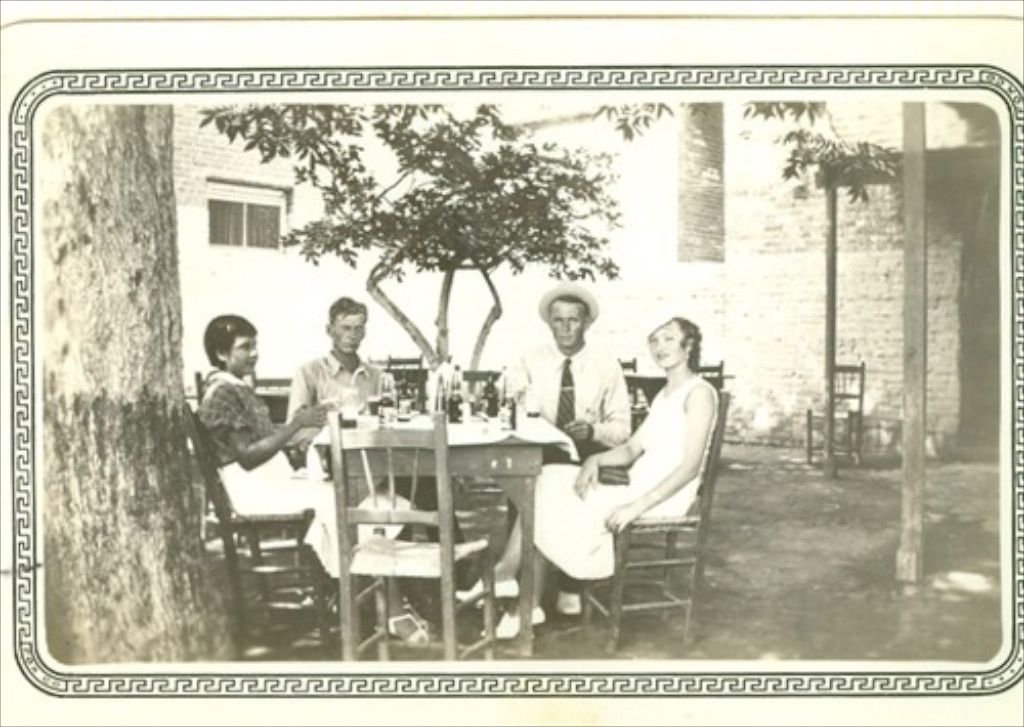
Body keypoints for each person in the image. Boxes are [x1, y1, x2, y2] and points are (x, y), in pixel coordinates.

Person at [197, 314, 429, 645]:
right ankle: (385, 607)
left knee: (364, 495)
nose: (254, 353)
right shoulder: (222, 393)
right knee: (349, 501)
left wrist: (305, 429)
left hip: (273, 480)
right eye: (244, 347)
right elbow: (247, 457)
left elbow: (262, 441)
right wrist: (297, 424)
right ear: (221, 354)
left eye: (255, 345)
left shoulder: (235, 387)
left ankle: (372, 599)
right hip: (256, 490)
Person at [491, 312, 719, 638]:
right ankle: (518, 590)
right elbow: (631, 450)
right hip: (638, 484)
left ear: (689, 345)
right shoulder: (664, 394)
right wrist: (594, 461)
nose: (660, 346)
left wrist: (634, 507)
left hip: (662, 496)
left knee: (549, 503)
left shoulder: (700, 394)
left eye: (669, 338)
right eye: (654, 340)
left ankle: (518, 595)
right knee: (545, 479)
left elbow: (690, 467)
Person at [457, 282, 631, 620]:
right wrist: (519, 404)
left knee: (548, 485)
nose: (565, 328)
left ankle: (559, 585)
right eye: (558, 320)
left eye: (573, 320)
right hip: (541, 448)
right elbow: (508, 404)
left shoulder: (606, 365)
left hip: (589, 452)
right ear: (549, 322)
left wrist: (593, 429)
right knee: (530, 476)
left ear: (586, 323)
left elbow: (623, 429)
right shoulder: (530, 360)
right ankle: (529, 593)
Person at [287, 296, 381, 450]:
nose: (352, 335)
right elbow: (293, 429)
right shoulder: (308, 373)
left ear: (364, 332)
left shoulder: (376, 376)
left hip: (372, 458)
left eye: (358, 328)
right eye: (345, 328)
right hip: (327, 458)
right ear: (329, 330)